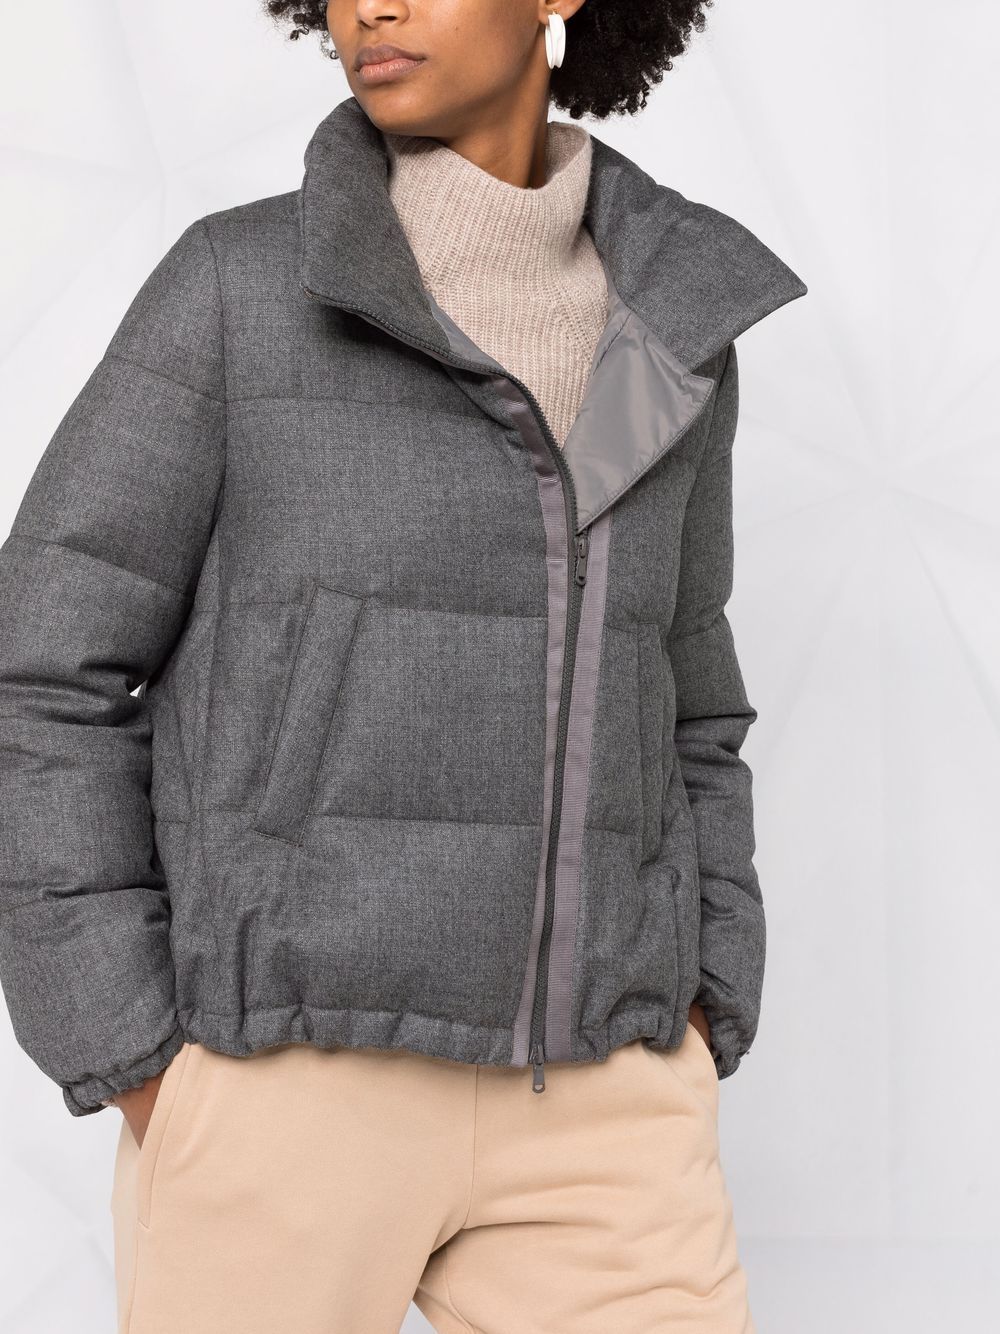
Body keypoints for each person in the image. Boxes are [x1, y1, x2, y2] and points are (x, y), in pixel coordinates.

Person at [0, 2, 807, 1330]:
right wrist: (131, 1049)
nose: (368, 6)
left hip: (603, 1106)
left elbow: (688, 693)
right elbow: (44, 670)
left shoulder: (671, 329)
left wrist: (706, 993)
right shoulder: (239, 294)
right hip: (284, 1091)